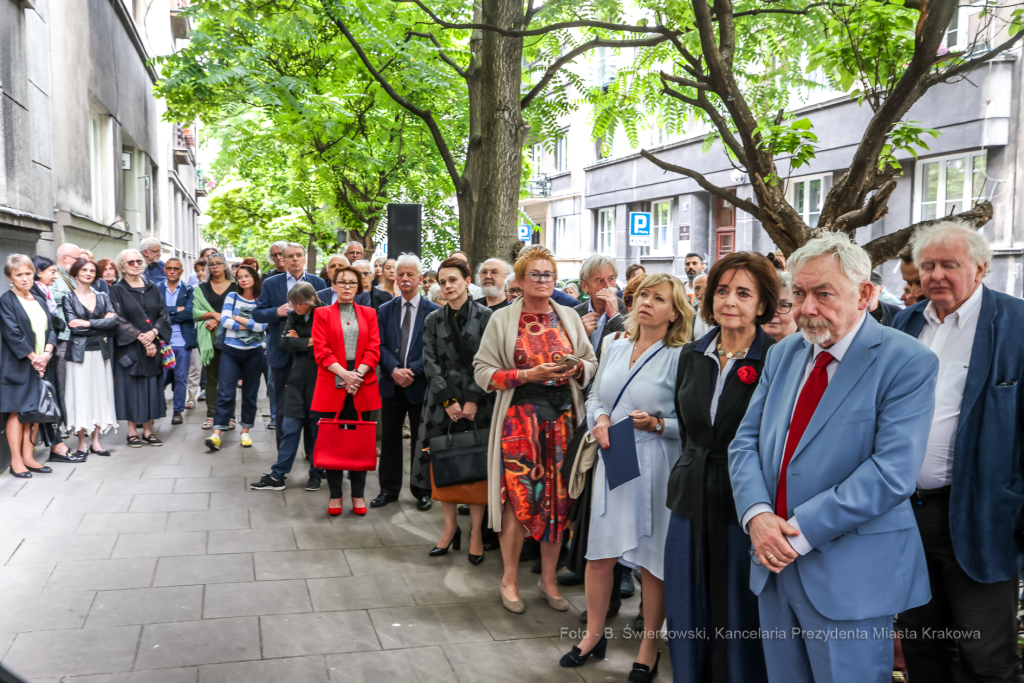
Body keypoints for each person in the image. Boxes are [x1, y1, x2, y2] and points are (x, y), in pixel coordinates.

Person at [728, 232, 937, 683]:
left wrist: (795, 535)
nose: (806, 308)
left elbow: (892, 473)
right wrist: (758, 517)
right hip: (773, 565)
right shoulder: (784, 353)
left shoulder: (907, 361)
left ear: (864, 294)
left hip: (850, 576)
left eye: (823, 294)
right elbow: (745, 441)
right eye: (799, 294)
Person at [893, 220, 1024, 683]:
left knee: (987, 658)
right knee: (924, 648)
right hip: (909, 518)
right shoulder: (905, 323)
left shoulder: (1016, 323)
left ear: (981, 267)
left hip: (983, 517)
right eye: (928, 265)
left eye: (950, 264)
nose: (936, 275)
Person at [563, 274, 692, 682]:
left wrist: (658, 424)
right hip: (615, 454)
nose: (646, 303)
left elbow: (691, 421)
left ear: (675, 313)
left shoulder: (682, 355)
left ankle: (649, 647)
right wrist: (599, 419)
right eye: (643, 296)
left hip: (657, 462)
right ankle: (593, 636)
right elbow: (597, 394)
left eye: (659, 298)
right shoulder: (614, 345)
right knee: (599, 553)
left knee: (653, 562)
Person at [664, 253, 779, 683]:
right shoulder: (692, 354)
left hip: (745, 503)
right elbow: (688, 427)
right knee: (687, 605)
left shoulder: (777, 360)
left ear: (762, 305)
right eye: (723, 291)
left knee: (737, 609)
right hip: (690, 496)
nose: (730, 301)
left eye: (743, 293)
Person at [473, 244, 598, 614]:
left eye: (549, 275)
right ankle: (509, 579)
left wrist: (575, 369)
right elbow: (483, 372)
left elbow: (591, 362)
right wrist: (528, 374)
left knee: (559, 503)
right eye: (535, 275)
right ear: (520, 280)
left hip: (563, 422)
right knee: (519, 500)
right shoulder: (503, 319)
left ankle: (548, 580)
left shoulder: (569, 317)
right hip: (519, 422)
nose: (543, 281)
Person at [421, 258, 494, 563]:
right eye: (442, 281)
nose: (447, 286)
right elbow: (429, 361)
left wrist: (473, 398)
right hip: (442, 401)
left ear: (467, 282)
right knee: (443, 466)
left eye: (453, 280)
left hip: (479, 399)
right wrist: (449, 401)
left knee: (475, 466)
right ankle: (450, 529)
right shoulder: (433, 319)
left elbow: (492, 358)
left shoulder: (487, 316)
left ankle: (476, 531)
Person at [371, 254, 441, 510]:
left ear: (421, 279)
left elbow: (434, 351)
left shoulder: (434, 312)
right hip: (391, 384)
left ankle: (422, 490)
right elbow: (378, 345)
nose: (405, 278)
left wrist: (410, 370)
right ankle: (388, 490)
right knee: (389, 439)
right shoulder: (384, 310)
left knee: (421, 441)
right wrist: (394, 370)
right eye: (401, 274)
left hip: (419, 385)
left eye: (410, 274)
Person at [311, 265, 382, 515]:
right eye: (342, 282)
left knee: (359, 441)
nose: (347, 287)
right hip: (333, 378)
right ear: (333, 285)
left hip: (362, 381)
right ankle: (335, 494)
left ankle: (358, 494)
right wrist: (344, 374)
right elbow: (321, 350)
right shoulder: (321, 313)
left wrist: (357, 375)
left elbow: (374, 348)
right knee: (333, 440)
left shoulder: (369, 313)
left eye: (352, 283)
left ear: (359, 287)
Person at [250, 282, 327, 492]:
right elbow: (285, 343)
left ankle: (317, 474)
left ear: (310, 300)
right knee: (290, 429)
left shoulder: (325, 313)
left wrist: (301, 340)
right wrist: (310, 341)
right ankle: (278, 475)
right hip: (295, 379)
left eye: (297, 302)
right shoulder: (293, 315)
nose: (293, 306)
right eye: (291, 302)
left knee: (316, 430)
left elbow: (328, 342)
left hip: (318, 380)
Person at [252, 243, 326, 443]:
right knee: (283, 407)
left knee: (313, 406)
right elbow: (257, 313)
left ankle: (312, 454)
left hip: (311, 354)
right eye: (290, 256)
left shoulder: (318, 283)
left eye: (299, 255)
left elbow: (326, 315)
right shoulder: (270, 283)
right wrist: (277, 312)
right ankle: (284, 453)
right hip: (282, 353)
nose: (295, 259)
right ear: (282, 260)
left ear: (304, 259)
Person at [1, 255, 60, 477]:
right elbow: (12, 333)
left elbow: (52, 328)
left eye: (28, 273)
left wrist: (46, 354)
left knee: (34, 413)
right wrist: (34, 357)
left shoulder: (38, 298)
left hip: (40, 362)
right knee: (17, 413)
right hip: (19, 365)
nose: (25, 279)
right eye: (19, 275)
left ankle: (28, 457)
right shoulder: (6, 301)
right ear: (9, 277)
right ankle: (16, 461)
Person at [109, 249, 173, 447]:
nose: (136, 265)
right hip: (130, 348)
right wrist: (142, 338)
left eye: (138, 261)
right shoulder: (117, 289)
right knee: (131, 389)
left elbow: (164, 315)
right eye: (131, 262)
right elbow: (118, 320)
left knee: (152, 388)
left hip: (152, 345)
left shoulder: (152, 286)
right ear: (122, 267)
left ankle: (148, 431)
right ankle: (131, 432)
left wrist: (153, 334)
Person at [205, 264, 267, 451]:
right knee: (225, 392)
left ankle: (245, 432)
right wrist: (250, 323)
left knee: (249, 393)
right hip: (231, 351)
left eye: (247, 276)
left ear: (254, 278)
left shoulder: (262, 300)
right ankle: (217, 434)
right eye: (240, 277)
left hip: (254, 353)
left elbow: (262, 327)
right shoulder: (232, 297)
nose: (243, 279)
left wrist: (239, 319)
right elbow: (224, 321)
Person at [62, 258, 119, 457]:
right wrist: (99, 322)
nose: (88, 273)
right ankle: (81, 443)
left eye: (92, 271)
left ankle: (96, 442)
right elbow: (72, 326)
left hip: (101, 352)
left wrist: (86, 324)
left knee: (98, 396)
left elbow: (114, 322)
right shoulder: (68, 298)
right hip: (78, 355)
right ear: (75, 274)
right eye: (84, 270)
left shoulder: (103, 296)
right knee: (80, 395)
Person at [192, 253, 238, 430]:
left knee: (229, 379)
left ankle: (230, 416)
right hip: (209, 339)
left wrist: (219, 320)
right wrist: (213, 314)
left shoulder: (235, 287)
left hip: (232, 338)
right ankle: (211, 416)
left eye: (218, 263)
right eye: (211, 264)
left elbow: (241, 311)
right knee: (211, 379)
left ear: (225, 265)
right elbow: (195, 313)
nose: (215, 267)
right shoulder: (201, 288)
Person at [159, 259, 197, 425]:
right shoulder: (156, 288)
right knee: (159, 377)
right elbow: (154, 312)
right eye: (169, 268)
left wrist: (167, 312)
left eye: (176, 269)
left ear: (181, 271)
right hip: (162, 341)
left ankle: (177, 411)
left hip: (182, 341)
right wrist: (176, 310)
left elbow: (189, 313)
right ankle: (156, 410)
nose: (172, 271)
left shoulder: (189, 290)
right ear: (164, 270)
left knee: (181, 377)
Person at [575, 254, 625, 360]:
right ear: (584, 286)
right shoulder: (574, 314)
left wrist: (615, 316)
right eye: (599, 281)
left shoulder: (630, 311)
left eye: (611, 279)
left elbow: (631, 348)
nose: (607, 286)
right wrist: (581, 336)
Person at [50, 242, 83, 390]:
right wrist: (74, 295)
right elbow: (51, 296)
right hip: (62, 335)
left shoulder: (72, 275)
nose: (80, 262)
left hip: (77, 333)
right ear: (65, 258)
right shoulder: (53, 274)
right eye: (77, 259)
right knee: (62, 377)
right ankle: (62, 411)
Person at [762, 271, 798, 342]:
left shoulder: (812, 350)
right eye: (768, 305)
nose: (773, 313)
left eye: (783, 305)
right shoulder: (743, 349)